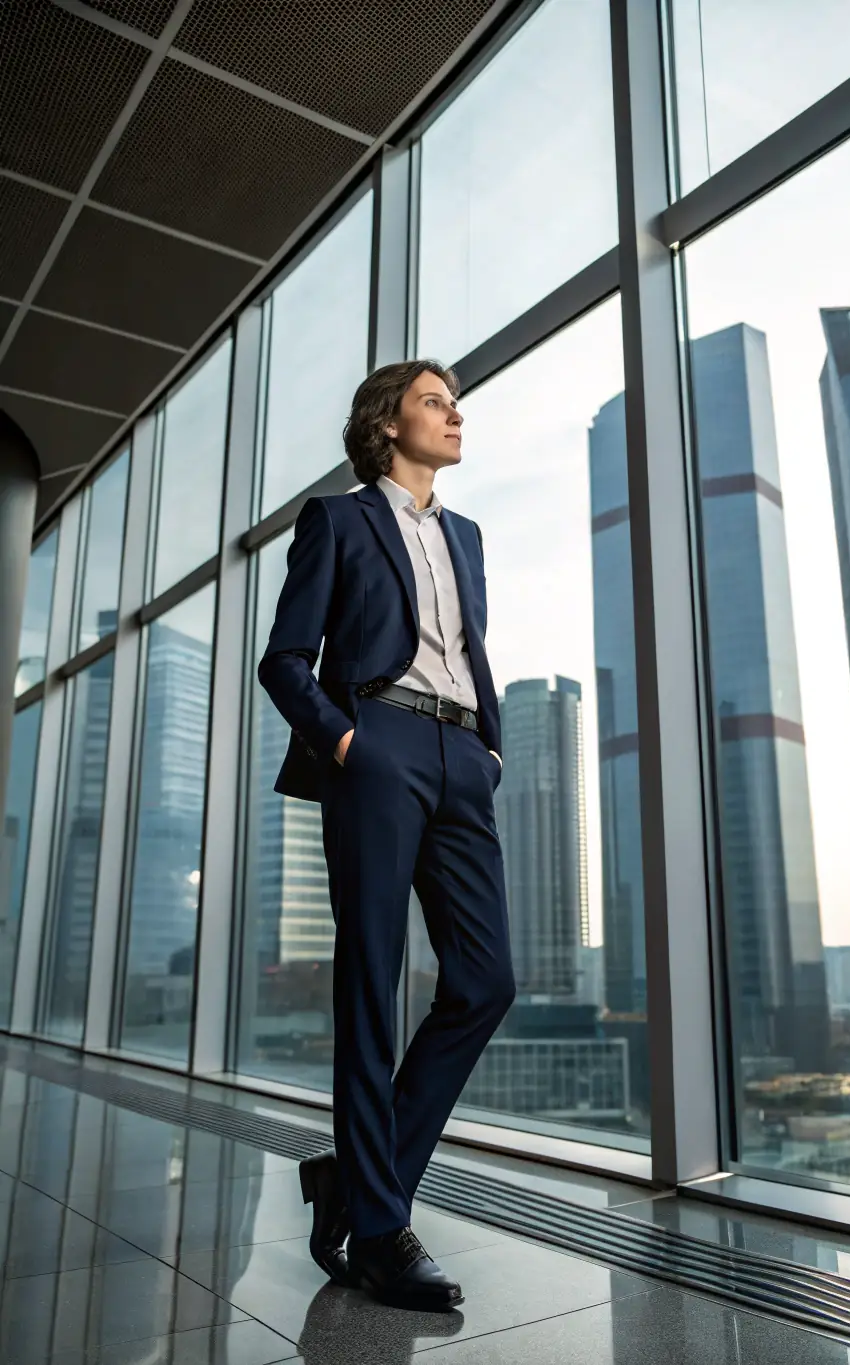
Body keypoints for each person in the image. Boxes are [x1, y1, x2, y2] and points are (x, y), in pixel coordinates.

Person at [258, 360, 516, 1312]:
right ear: (387, 423)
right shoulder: (338, 520)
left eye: (455, 403)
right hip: (378, 743)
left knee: (485, 980)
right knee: (373, 979)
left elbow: (468, 649)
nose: (455, 415)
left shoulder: (467, 536)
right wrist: (346, 742)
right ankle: (377, 1231)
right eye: (434, 402)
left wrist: (489, 748)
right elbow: (285, 659)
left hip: (462, 753)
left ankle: (358, 1179)